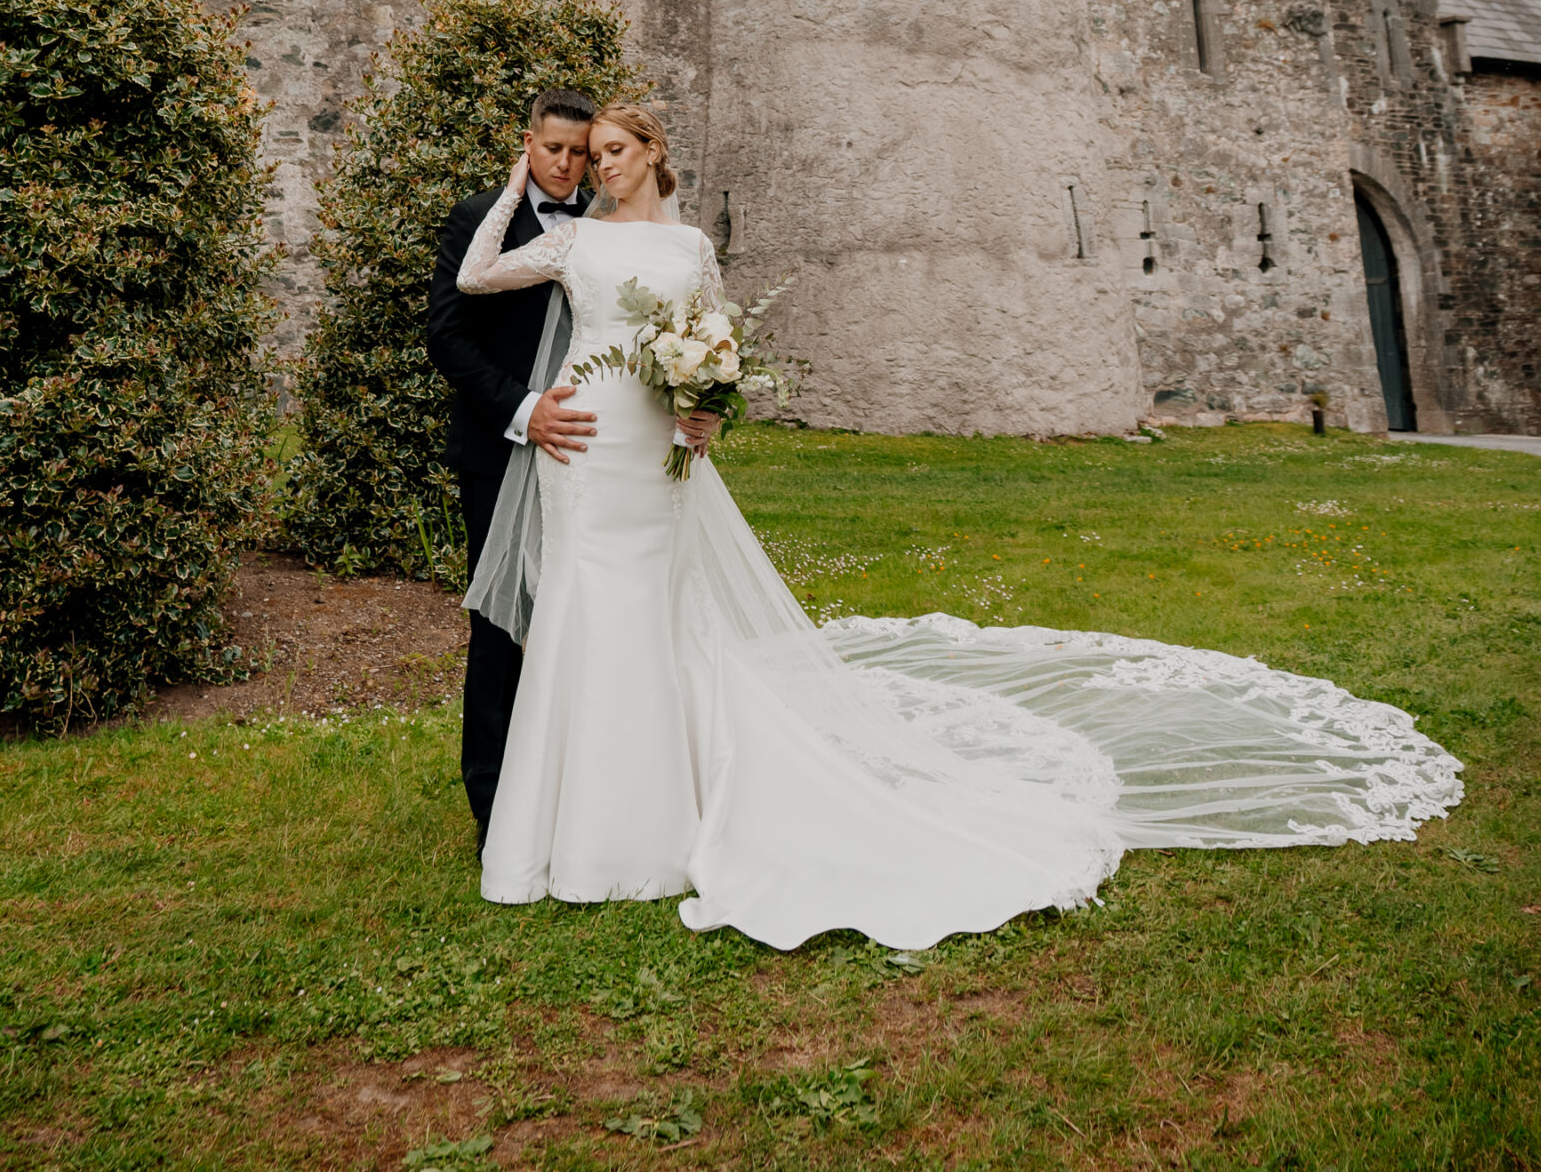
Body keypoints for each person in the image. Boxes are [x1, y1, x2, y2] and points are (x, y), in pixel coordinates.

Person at [455, 102, 1465, 950]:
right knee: (590, 608)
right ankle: (567, 821)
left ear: (653, 155)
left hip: (659, 440)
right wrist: (513, 183)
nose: (598, 165)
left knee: (665, 614)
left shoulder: (690, 244)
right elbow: (473, 277)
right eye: (590, 155)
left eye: (615, 150)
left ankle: (667, 807)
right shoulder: (569, 239)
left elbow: (712, 333)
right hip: (584, 436)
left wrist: (708, 399)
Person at [426, 87, 599, 850]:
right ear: (526, 144)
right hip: (501, 449)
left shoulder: (606, 225)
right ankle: (494, 807)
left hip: (589, 456)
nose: (565, 165)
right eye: (553, 148)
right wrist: (525, 410)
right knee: (501, 625)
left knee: (578, 616)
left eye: (579, 152)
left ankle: (574, 784)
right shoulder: (476, 219)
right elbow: (447, 338)